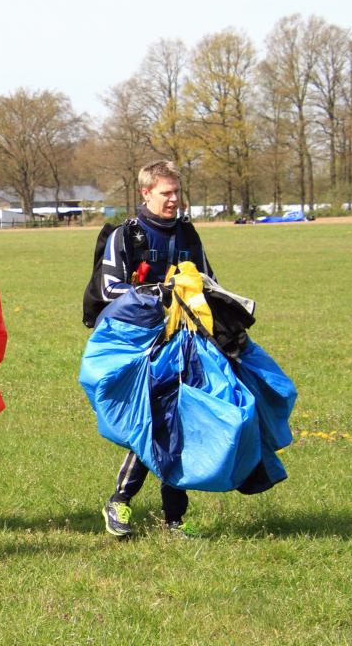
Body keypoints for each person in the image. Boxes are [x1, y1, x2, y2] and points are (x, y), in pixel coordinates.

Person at [96, 160, 212, 538]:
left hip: (184, 341)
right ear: (146, 193)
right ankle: (124, 502)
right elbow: (108, 288)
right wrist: (157, 292)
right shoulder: (126, 236)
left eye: (177, 192)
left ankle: (170, 516)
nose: (174, 199)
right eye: (166, 193)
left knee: (177, 420)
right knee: (157, 420)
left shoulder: (188, 233)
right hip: (137, 343)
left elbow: (208, 280)